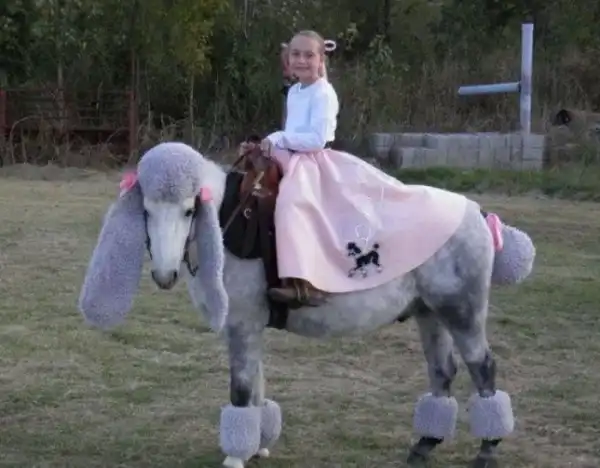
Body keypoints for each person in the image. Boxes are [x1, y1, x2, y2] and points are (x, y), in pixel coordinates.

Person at [240, 30, 468, 309]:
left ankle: (302, 283)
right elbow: (293, 132)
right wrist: (268, 145)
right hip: (293, 155)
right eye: (296, 55)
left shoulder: (324, 93)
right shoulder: (296, 91)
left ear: (321, 59)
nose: (301, 60)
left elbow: (316, 139)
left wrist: (280, 138)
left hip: (313, 160)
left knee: (292, 204)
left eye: (309, 55)